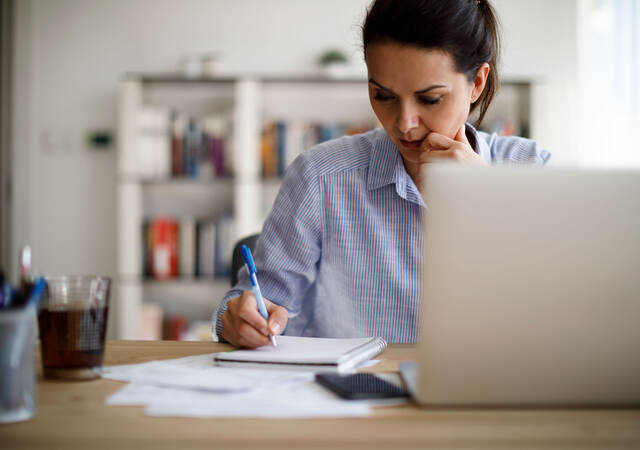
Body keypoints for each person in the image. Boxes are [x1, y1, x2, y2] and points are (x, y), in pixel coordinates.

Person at [213, 0, 551, 348]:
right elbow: (249, 303)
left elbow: (555, 316)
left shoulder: (531, 171)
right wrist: (238, 320)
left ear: (477, 83)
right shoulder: (320, 177)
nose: (404, 124)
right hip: (346, 395)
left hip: (486, 394)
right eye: (383, 96)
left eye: (430, 99)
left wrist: (489, 201)